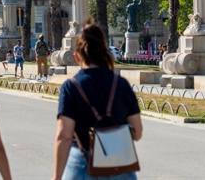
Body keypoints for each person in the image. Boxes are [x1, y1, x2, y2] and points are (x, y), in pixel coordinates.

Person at [54, 21, 143, 180]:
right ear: (104, 53)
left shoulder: (71, 87)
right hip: (120, 164)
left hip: (82, 162)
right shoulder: (121, 84)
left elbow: (65, 136)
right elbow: (137, 133)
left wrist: (56, 176)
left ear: (77, 56)